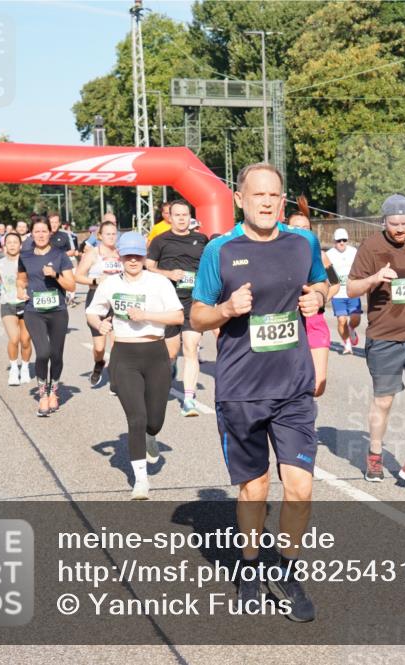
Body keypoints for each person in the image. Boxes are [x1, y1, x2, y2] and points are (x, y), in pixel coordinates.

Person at [191, 163, 329, 622]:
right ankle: (250, 566)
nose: (268, 202)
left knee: (301, 487)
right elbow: (197, 316)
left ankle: (287, 572)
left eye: (275, 195)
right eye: (259, 195)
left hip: (292, 386)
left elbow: (320, 282)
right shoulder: (221, 250)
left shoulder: (302, 242)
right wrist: (227, 308)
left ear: (282, 200)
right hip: (241, 390)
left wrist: (318, 299)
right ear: (240, 198)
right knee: (254, 489)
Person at [346, 194, 405, 490]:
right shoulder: (371, 247)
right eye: (394, 223)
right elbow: (351, 288)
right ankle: (374, 455)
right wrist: (375, 278)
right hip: (384, 337)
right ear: (383, 222)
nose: (400, 229)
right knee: (384, 402)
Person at [88, 232, 183, 500]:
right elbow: (92, 311)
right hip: (124, 355)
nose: (132, 259)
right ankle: (140, 480)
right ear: (119, 256)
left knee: (154, 421)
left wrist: (146, 315)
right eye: (127, 254)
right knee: (136, 418)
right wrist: (100, 323)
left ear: (144, 256)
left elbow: (177, 315)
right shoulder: (109, 284)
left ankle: (151, 436)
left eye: (137, 255)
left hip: (155, 353)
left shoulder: (159, 283)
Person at [146, 198, 209, 417]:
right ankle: (169, 367)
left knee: (191, 348)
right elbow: (148, 267)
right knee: (171, 352)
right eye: (178, 215)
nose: (182, 218)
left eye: (185, 214)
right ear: (170, 217)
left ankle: (189, 399)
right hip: (169, 303)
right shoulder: (160, 241)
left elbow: (210, 267)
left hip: (194, 301)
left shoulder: (201, 239)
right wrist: (169, 274)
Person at [18, 218, 75, 417]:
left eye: (44, 231)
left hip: (58, 311)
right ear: (31, 234)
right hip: (34, 311)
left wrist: (55, 275)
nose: (41, 234)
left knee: (57, 354)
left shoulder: (60, 255)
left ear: (50, 233)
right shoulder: (25, 256)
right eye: (37, 231)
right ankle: (42, 394)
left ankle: (54, 391)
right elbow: (21, 280)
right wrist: (20, 290)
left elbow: (71, 286)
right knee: (43, 353)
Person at [286, 196, 340, 396]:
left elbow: (335, 283)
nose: (301, 231)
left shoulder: (319, 255)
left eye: (305, 227)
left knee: (317, 387)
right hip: (287, 323)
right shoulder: (277, 253)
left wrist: (320, 297)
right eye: (296, 227)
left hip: (314, 321)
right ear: (287, 228)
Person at [76, 220, 121, 386]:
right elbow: (78, 276)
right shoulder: (92, 254)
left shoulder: (121, 253)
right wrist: (95, 281)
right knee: (100, 347)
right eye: (108, 234)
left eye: (114, 233)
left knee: (119, 343)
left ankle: (117, 379)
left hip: (118, 300)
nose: (111, 237)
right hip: (97, 299)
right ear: (100, 236)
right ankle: (99, 363)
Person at [0, 232, 32, 386]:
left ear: (20, 245)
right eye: (9, 242)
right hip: (7, 304)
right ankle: (14, 369)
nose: (12, 245)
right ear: (5, 246)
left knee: (26, 340)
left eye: (15, 242)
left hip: (26, 303)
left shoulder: (27, 262)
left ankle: (26, 368)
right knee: (14, 338)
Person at [326, 227, 362, 355]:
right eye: (338, 240)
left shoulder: (353, 251)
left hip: (352, 291)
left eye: (344, 240)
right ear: (334, 241)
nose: (341, 243)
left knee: (356, 318)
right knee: (341, 320)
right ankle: (347, 344)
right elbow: (327, 272)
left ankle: (351, 329)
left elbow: (360, 268)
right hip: (337, 293)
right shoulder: (329, 254)